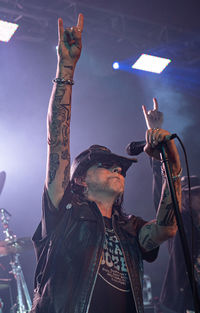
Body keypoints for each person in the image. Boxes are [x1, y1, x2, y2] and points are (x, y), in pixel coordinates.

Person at [30, 14, 182, 313]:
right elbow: (57, 141)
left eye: (121, 169)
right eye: (106, 165)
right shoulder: (65, 212)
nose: (118, 170)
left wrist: (170, 164)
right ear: (80, 179)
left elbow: (167, 228)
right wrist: (66, 67)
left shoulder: (130, 228)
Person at [144, 99, 200, 313]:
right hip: (177, 305)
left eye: (189, 193)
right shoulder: (181, 225)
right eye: (182, 193)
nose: (184, 198)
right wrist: (158, 146)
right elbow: (164, 197)